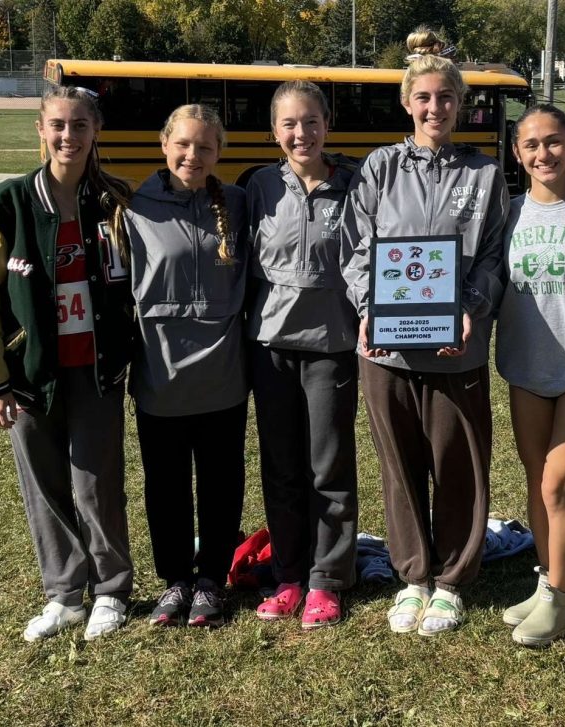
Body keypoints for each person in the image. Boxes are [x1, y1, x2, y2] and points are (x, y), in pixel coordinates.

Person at [0, 85, 135, 642]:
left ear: (95, 132)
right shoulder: (6, 204)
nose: (68, 137)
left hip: (98, 373)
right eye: (58, 124)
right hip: (30, 377)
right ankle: (63, 595)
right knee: (45, 487)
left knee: (95, 486)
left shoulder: (114, 203)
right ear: (39, 129)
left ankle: (111, 591)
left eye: (80, 126)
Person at [340, 34, 509, 636]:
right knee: (400, 463)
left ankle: (453, 580)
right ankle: (413, 576)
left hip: (454, 343)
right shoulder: (380, 168)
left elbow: (493, 256)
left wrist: (470, 305)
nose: (434, 108)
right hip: (385, 347)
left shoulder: (485, 174)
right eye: (424, 98)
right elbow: (357, 248)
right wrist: (367, 305)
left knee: (457, 460)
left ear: (459, 106)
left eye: (445, 99)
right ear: (407, 103)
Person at [126, 104, 248, 629]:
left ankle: (211, 580)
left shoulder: (239, 204)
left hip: (223, 375)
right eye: (183, 145)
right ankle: (176, 578)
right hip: (160, 374)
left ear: (219, 152)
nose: (192, 156)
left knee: (222, 482)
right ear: (163, 143)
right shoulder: (132, 207)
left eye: (205, 147)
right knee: (166, 484)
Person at [246, 81, 360, 629]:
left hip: (332, 348)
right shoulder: (258, 187)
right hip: (271, 349)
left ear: (326, 125)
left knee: (328, 466)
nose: (301, 133)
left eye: (311, 121)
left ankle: (328, 580)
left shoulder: (355, 186)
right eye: (290, 124)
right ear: (275, 132)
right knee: (282, 468)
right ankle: (290, 574)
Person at [495, 104, 565, 647]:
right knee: (536, 485)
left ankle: (561, 602)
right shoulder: (508, 215)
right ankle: (546, 585)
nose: (544, 153)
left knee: (556, 484)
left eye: (554, 141)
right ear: (518, 153)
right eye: (532, 144)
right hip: (526, 369)